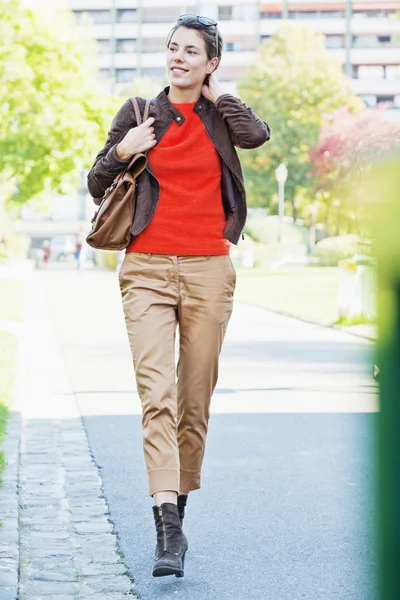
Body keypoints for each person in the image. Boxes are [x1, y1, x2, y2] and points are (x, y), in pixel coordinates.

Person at [87, 13, 270, 579]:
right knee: (156, 394)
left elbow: (257, 135)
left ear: (210, 63)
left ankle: (179, 512)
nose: (178, 57)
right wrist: (124, 151)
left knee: (194, 398)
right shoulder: (140, 113)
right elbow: (96, 182)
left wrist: (219, 97)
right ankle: (166, 528)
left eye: (192, 52)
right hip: (145, 267)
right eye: (173, 48)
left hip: (209, 270)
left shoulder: (221, 115)